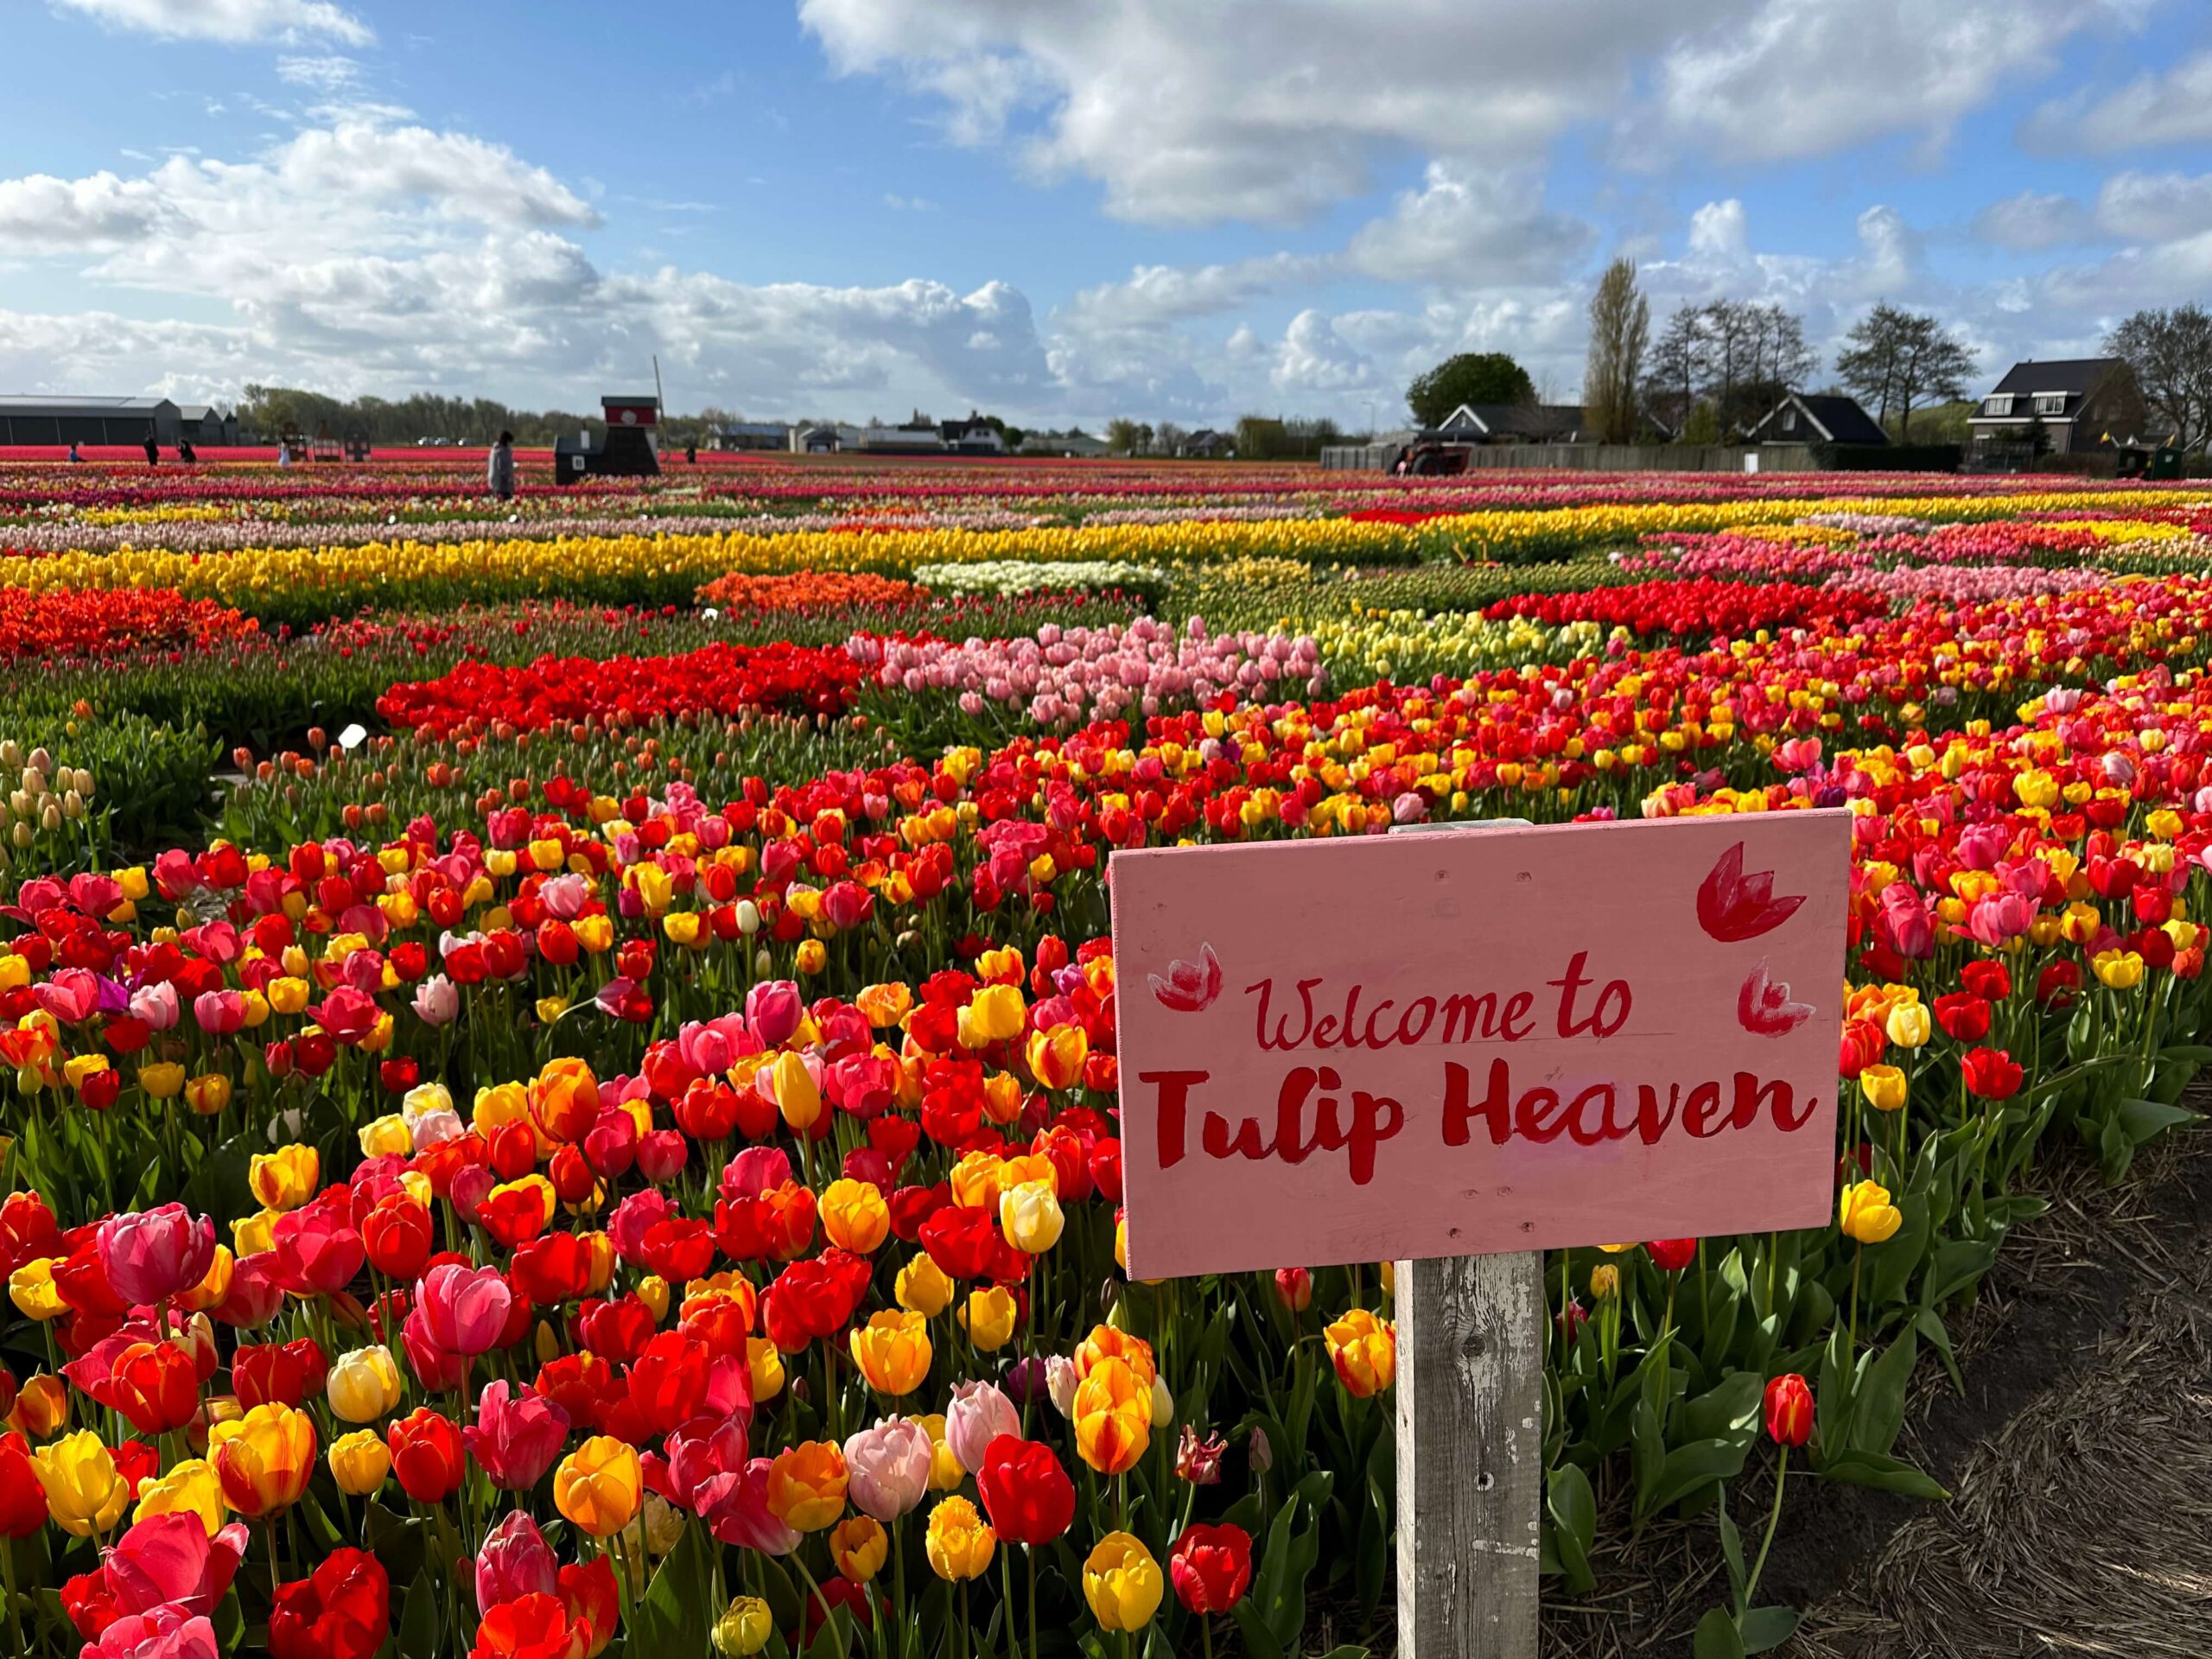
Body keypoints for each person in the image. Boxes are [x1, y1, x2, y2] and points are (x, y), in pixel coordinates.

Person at [486, 429, 517, 501]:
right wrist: (509, 480)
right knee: (505, 500)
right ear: (506, 441)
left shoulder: (495, 449)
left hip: (495, 480)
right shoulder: (501, 451)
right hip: (501, 482)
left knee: (497, 499)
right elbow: (502, 467)